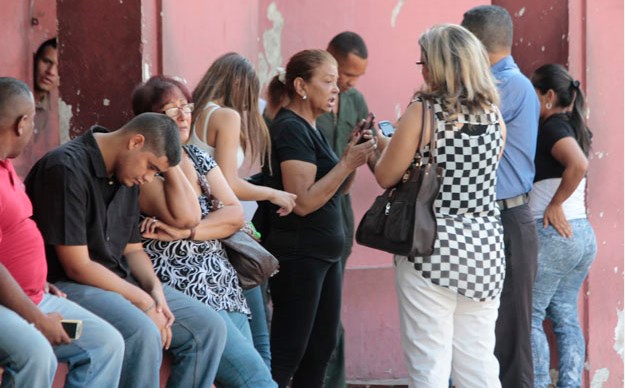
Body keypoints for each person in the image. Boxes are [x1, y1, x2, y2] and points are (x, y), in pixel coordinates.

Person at [24, 111, 227, 388]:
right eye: (152, 167)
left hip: (119, 282)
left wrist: (154, 290)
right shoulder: (65, 168)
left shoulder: (128, 175)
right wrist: (143, 303)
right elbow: (77, 265)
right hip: (68, 284)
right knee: (143, 332)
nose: (149, 178)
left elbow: (133, 250)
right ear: (135, 142)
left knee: (209, 329)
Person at [374, 24, 507, 387]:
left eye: (424, 62)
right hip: (486, 251)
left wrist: (379, 148)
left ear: (440, 66)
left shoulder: (423, 112)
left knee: (428, 366)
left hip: (431, 247)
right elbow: (477, 176)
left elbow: (387, 176)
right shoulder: (494, 115)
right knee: (478, 364)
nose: (422, 70)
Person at [132, 75, 277, 387]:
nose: (184, 116)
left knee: (254, 374)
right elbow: (187, 214)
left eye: (187, 107)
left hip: (224, 284)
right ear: (150, 120)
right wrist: (201, 223)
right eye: (172, 111)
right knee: (256, 381)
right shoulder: (146, 169)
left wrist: (188, 233)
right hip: (184, 287)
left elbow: (235, 214)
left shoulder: (198, 157)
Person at [0, 76, 124, 387]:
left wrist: (35, 279)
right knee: (36, 353)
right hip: (11, 303)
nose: (32, 131)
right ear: (22, 122)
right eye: (32, 123)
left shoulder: (6, 166)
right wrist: (37, 318)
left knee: (107, 344)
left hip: (32, 294)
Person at [262, 49, 375, 387]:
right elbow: (303, 202)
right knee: (289, 349)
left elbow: (336, 189)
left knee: (320, 347)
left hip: (324, 255)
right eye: (327, 81)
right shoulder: (290, 128)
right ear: (301, 85)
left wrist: (350, 156)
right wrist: (347, 163)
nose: (335, 89)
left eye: (336, 83)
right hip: (300, 255)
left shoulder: (311, 126)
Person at [191, 52, 297, 368]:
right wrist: (274, 193)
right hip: (223, 233)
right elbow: (229, 182)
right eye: (250, 91)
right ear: (238, 83)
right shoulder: (226, 116)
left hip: (203, 225)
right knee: (258, 342)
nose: (250, 103)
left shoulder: (197, 112)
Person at [462, 6, 541, 387]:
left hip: (506, 219)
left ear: (474, 44)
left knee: (508, 336)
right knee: (482, 333)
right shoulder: (496, 84)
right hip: (489, 218)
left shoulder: (504, 85)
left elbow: (456, 129)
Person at [529, 64, 596, 388]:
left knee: (530, 316)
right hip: (581, 234)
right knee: (565, 315)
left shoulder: (554, 127)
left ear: (549, 96)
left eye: (534, 90)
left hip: (554, 234)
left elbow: (578, 164)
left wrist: (554, 204)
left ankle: (540, 384)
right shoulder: (574, 125)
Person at [316, 31, 370, 388]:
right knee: (307, 310)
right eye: (347, 74)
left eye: (356, 77)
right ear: (329, 57)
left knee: (331, 310)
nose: (349, 84)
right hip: (305, 210)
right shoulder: (302, 96)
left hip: (340, 215)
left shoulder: (355, 102)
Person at [14, 37, 60, 178]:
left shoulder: (54, 110)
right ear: (34, 60)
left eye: (59, 67)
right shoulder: (13, 98)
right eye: (46, 62)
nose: (51, 71)